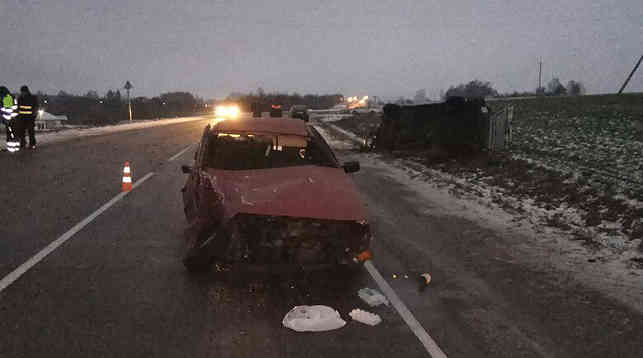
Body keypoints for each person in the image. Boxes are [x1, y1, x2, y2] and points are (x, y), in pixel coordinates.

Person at [1, 86, 20, 152]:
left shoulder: (7, 98)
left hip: (10, 120)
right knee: (14, 134)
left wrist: (6, 120)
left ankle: (11, 149)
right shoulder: (11, 97)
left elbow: (8, 111)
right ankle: (16, 148)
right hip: (15, 119)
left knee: (11, 134)